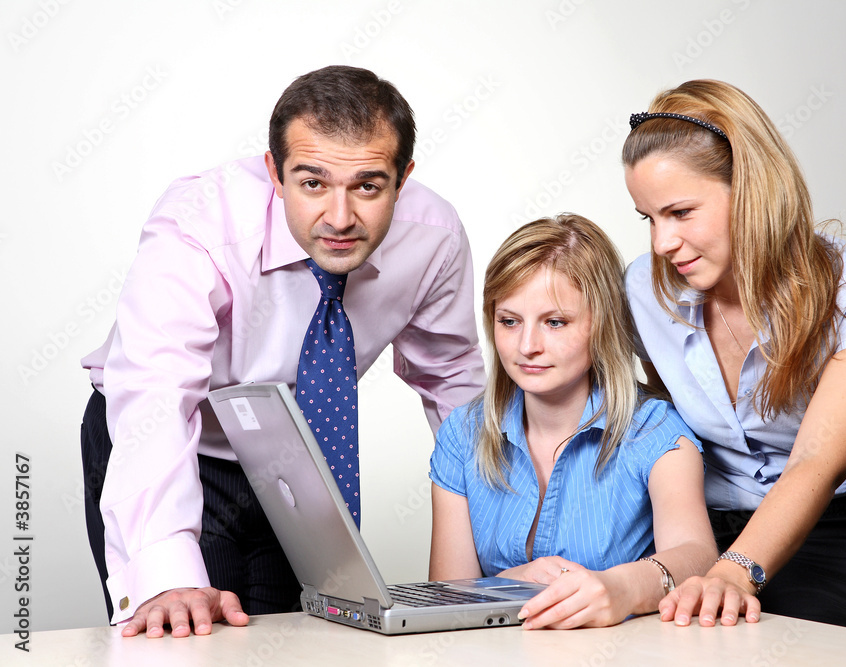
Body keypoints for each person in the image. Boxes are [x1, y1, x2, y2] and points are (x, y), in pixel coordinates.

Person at [80, 65, 485, 638]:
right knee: (193, 636)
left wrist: (500, 524)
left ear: (403, 176)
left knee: (302, 637)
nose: (340, 218)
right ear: (274, 171)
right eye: (312, 182)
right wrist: (167, 573)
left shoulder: (434, 236)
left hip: (290, 451)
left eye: (368, 185)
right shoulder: (200, 222)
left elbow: (451, 381)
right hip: (175, 440)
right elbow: (157, 395)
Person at [621, 80, 846, 645]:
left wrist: (736, 573)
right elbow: (658, 417)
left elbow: (815, 460)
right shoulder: (643, 289)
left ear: (752, 191)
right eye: (648, 218)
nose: (662, 242)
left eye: (681, 212)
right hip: (704, 540)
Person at [429, 214, 718, 629]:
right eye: (509, 321)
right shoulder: (462, 434)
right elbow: (442, 598)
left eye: (555, 322)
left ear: (600, 323)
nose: (527, 346)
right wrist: (507, 585)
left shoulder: (656, 430)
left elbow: (698, 555)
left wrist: (619, 588)